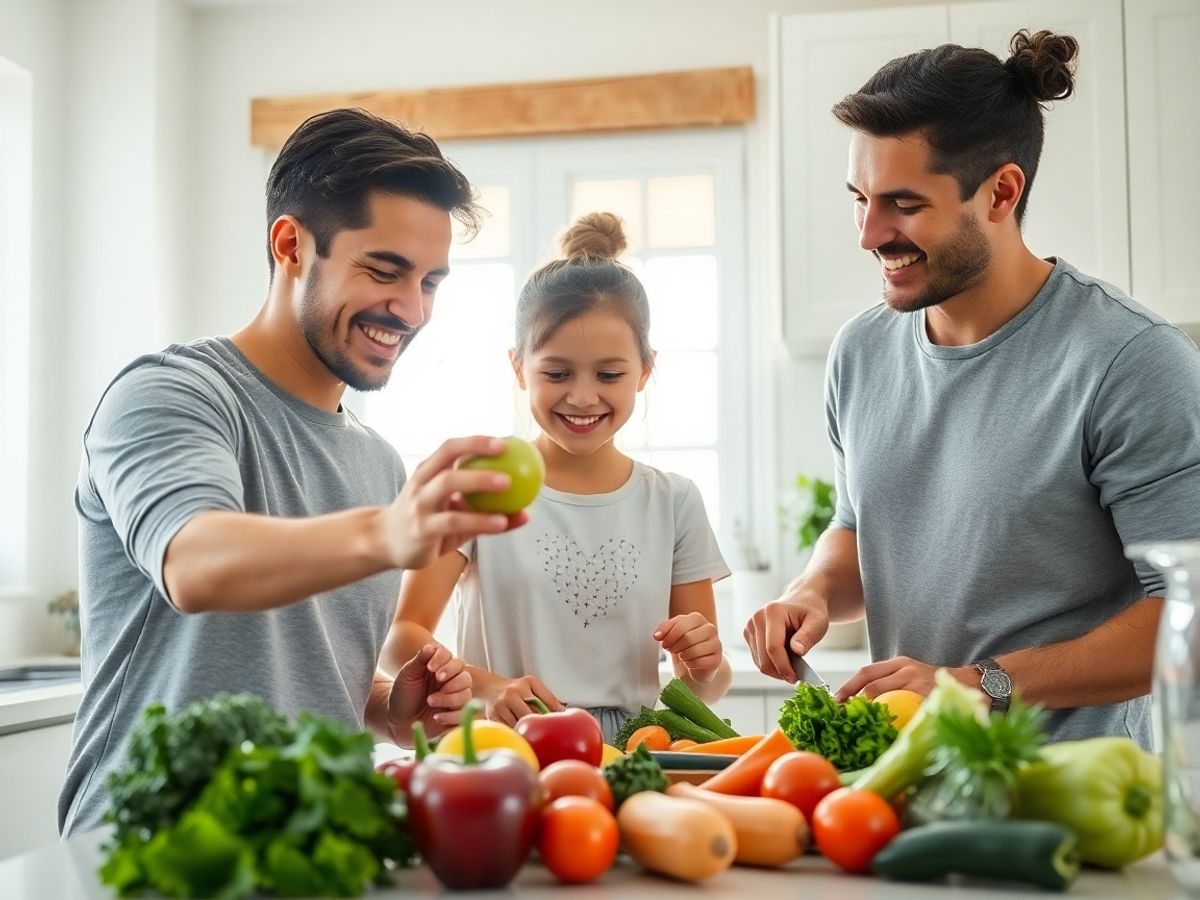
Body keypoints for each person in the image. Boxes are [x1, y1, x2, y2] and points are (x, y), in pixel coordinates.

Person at [60, 108, 527, 835]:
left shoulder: (375, 463)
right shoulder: (170, 394)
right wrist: (389, 532)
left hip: (304, 846)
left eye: (430, 281)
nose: (410, 309)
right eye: (384, 270)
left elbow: (301, 663)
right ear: (290, 245)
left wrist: (386, 706)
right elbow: (196, 563)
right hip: (151, 850)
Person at [745, 30, 1200, 746]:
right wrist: (811, 595)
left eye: (902, 204)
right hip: (901, 790)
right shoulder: (861, 351)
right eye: (859, 199)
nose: (868, 234)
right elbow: (859, 527)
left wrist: (979, 685)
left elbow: (1188, 616)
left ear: (1001, 192)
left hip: (1071, 806)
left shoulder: (1129, 362)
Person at [382, 212, 732, 742]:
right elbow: (402, 636)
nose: (584, 396)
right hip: (505, 741)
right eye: (557, 373)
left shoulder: (674, 500)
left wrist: (704, 665)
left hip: (635, 752)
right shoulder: (481, 480)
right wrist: (487, 687)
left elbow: (701, 686)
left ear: (645, 370)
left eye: (609, 374)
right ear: (519, 367)